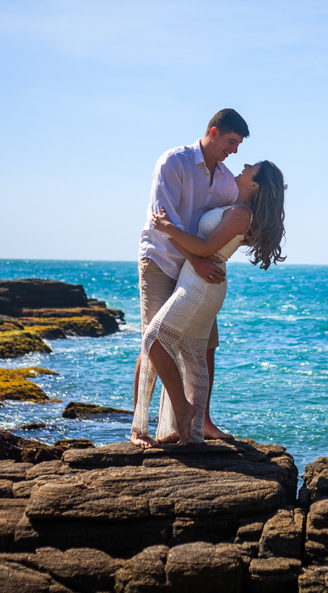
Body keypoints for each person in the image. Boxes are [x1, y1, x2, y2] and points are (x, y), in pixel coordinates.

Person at [131, 160, 287, 446]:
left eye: (251, 168)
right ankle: (191, 432)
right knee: (193, 355)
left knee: (153, 338)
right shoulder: (238, 208)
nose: (245, 164)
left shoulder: (241, 213)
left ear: (254, 185)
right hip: (200, 283)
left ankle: (184, 410)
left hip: (200, 286)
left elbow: (203, 248)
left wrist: (167, 227)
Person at [132, 109, 249, 443]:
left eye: (238, 144)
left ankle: (202, 422)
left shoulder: (227, 181)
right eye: (231, 141)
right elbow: (162, 221)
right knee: (152, 343)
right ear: (213, 133)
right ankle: (140, 428)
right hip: (160, 260)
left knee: (205, 346)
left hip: (195, 273)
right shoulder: (174, 162)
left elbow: (220, 228)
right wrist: (196, 261)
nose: (234, 150)